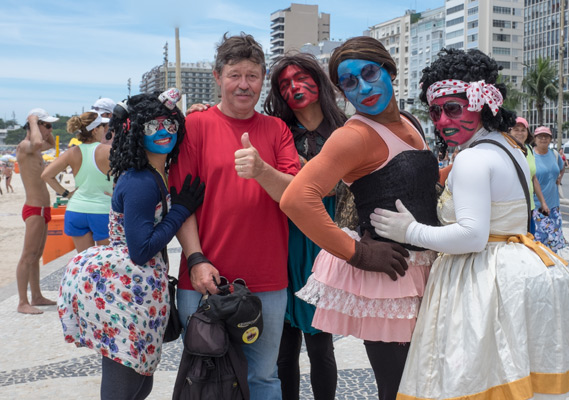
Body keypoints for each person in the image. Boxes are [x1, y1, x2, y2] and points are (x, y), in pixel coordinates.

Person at [370, 48, 569, 400]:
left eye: (453, 108)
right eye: (436, 111)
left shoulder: (473, 158)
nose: (442, 120)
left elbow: (472, 236)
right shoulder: (510, 146)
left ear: (483, 104)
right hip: (519, 268)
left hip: (482, 279)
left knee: (473, 381)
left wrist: (409, 230)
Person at [280, 36, 439, 400]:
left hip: (425, 266)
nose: (363, 88)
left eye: (369, 73)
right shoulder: (353, 136)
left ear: (390, 70)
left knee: (426, 383)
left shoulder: (410, 121)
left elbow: (416, 184)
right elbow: (297, 199)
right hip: (390, 277)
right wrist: (357, 254)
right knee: (399, 391)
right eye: (350, 82)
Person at [168, 33, 300, 400]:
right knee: (205, 379)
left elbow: (293, 195)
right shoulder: (195, 127)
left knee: (263, 377)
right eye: (235, 75)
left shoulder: (276, 129)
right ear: (217, 77)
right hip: (204, 279)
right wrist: (195, 259)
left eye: (252, 76)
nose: (244, 85)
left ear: (263, 79)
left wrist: (261, 171)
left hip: (267, 281)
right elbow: (181, 203)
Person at [57, 90, 204, 400]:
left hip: (137, 291)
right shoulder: (140, 181)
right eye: (152, 126)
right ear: (135, 131)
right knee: (124, 385)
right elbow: (141, 249)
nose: (164, 132)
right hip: (126, 294)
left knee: (140, 383)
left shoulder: (153, 173)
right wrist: (180, 210)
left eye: (170, 124)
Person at [263, 53, 345, 400]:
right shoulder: (277, 132)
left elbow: (345, 183)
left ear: (318, 80)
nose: (294, 87)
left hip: (325, 240)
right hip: (284, 238)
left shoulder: (345, 129)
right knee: (284, 348)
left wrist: (305, 171)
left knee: (321, 346)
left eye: (301, 78)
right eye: (285, 83)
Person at [41, 111, 113, 252]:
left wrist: (67, 194)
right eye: (103, 126)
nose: (105, 130)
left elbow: (46, 175)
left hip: (76, 209)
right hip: (102, 210)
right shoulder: (108, 151)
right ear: (95, 130)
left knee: (85, 260)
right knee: (106, 260)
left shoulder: (72, 152)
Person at [15, 108, 58, 314]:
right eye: (47, 125)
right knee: (28, 255)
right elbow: (39, 143)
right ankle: (22, 302)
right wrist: (33, 120)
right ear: (35, 125)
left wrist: (44, 129)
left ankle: (37, 296)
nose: (50, 130)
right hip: (33, 209)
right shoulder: (26, 146)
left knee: (36, 255)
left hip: (42, 209)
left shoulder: (35, 148)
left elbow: (48, 143)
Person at [510, 117, 548, 235]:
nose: (520, 133)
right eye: (516, 129)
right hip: (512, 206)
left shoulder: (529, 149)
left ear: (528, 133)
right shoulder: (507, 149)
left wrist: (543, 202)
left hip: (529, 205)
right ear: (509, 131)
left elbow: (533, 178)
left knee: (528, 239)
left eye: (523, 130)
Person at [532, 126, 566, 253]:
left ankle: (552, 265)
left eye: (546, 136)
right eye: (540, 136)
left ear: (550, 139)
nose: (543, 139)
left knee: (554, 244)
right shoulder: (530, 155)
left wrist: (559, 178)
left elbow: (562, 168)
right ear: (535, 138)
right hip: (537, 208)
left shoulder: (554, 154)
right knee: (538, 245)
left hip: (554, 207)